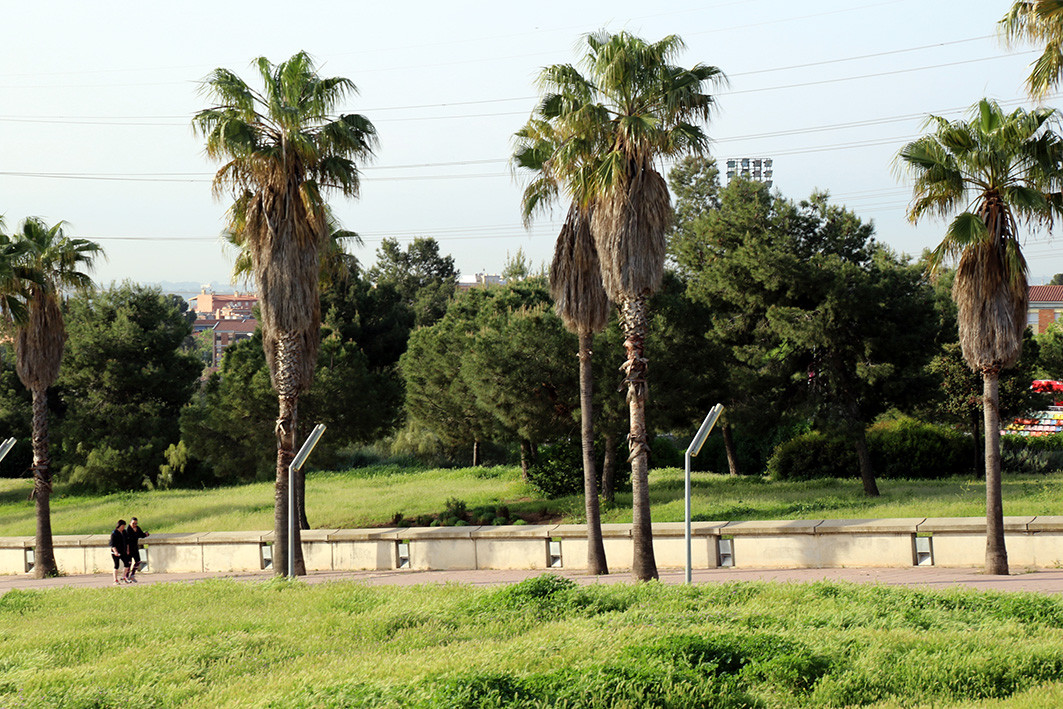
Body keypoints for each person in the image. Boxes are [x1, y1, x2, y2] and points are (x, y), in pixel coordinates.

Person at [125, 517, 149, 582]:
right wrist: (127, 550)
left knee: (138, 561)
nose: (134, 525)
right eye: (133, 523)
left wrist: (146, 534)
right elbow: (126, 540)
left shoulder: (137, 528)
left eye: (136, 523)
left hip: (135, 547)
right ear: (130, 523)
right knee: (129, 563)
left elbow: (141, 535)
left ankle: (132, 575)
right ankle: (126, 576)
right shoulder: (127, 529)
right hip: (129, 548)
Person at [109, 520, 130, 585]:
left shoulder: (124, 532)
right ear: (119, 525)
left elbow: (127, 542)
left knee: (127, 564)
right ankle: (115, 580)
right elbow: (112, 544)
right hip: (116, 551)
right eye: (122, 526)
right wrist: (115, 552)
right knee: (116, 565)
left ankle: (123, 577)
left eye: (124, 526)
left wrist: (127, 550)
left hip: (123, 551)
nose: (123, 527)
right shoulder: (114, 533)